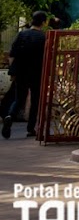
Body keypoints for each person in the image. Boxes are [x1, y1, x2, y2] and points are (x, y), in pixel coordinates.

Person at [2, 11, 49, 139]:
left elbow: (12, 55)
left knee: (19, 99)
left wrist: (13, 71)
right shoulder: (44, 38)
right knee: (35, 101)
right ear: (43, 22)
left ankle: (10, 116)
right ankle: (30, 128)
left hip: (21, 72)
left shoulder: (22, 34)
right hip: (37, 73)